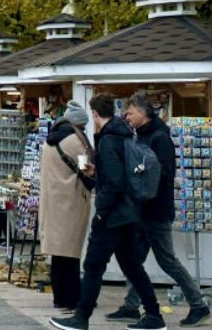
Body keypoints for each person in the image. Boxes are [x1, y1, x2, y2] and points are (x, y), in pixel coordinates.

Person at [49, 94, 164, 330]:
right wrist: (96, 171)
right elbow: (114, 173)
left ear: (94, 114)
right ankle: (154, 315)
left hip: (112, 215)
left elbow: (115, 181)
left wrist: (101, 210)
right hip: (128, 213)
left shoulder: (108, 140)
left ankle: (81, 318)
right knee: (132, 266)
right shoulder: (122, 135)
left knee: (92, 266)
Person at [107, 94, 211, 327]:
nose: (126, 116)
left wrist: (138, 175)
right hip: (143, 209)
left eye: (130, 112)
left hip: (156, 210)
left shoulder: (159, 138)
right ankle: (131, 306)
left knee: (167, 260)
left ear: (143, 113)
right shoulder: (143, 136)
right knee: (135, 260)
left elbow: (163, 173)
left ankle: (199, 305)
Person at [40, 100, 95, 313]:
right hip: (70, 202)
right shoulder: (74, 141)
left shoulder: (50, 140)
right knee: (70, 253)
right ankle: (71, 297)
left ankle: (59, 296)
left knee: (58, 253)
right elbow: (86, 169)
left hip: (53, 201)